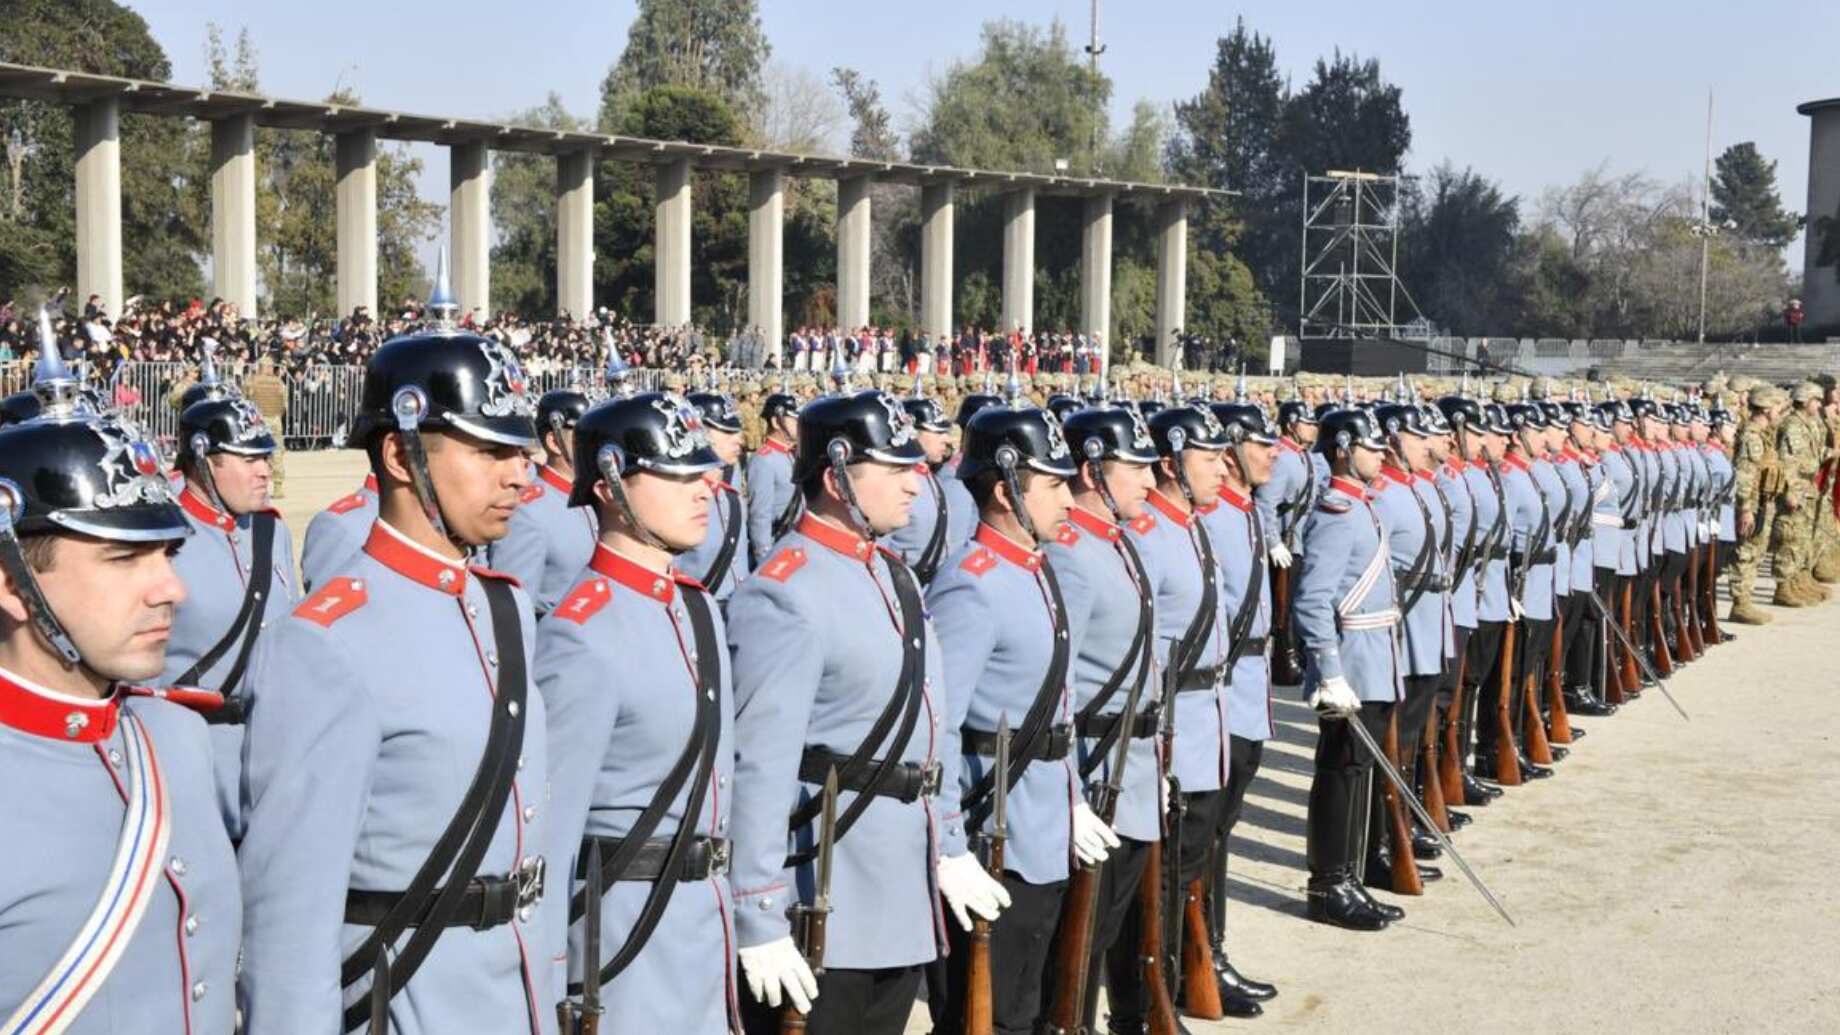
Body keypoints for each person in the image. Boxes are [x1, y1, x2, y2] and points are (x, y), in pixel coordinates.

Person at [238, 289, 554, 1034]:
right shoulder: (326, 643)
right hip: (405, 1002)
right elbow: (289, 916)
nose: (519, 475)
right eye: (489, 452)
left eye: (519, 452)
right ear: (400, 454)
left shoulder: (503, 607)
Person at [0, 331, 240, 1033]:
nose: (172, 589)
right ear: (11, 582)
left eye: (166, 553)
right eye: (123, 559)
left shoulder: (177, 735)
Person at [728, 389, 984, 1035]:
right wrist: (757, 911)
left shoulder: (896, 576)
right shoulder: (785, 592)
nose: (915, 481)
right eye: (894, 468)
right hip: (826, 892)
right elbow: (760, 765)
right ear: (836, 474)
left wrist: (950, 844)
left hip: (900, 886)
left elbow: (932, 729)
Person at [539, 392, 737, 1033]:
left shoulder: (697, 609)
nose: (706, 487)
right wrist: (547, 982)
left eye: (702, 471)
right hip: (623, 943)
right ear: (610, 486)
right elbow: (551, 835)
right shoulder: (580, 634)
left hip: (703, 927)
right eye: (677, 475)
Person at [930, 399, 1109, 1035]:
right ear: (1006, 491)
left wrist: (1073, 798)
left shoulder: (1035, 569)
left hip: (1042, 823)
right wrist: (949, 845)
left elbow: (1056, 707)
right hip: (994, 833)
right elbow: (939, 725)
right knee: (987, 1015)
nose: (1069, 500)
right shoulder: (972, 584)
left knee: (1029, 1006)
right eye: (1053, 486)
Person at [1040, 404, 1166, 1034]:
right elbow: (1055, 687)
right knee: (1076, 946)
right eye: (1135, 467)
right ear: (1092, 471)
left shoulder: (1118, 542)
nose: (1150, 479)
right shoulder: (1071, 555)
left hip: (1131, 763)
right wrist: (1068, 793)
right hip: (1094, 770)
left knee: (1107, 927)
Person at [164, 362, 298, 842]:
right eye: (248, 459)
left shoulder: (271, 531)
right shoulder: (163, 538)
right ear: (204, 459)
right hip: (190, 754)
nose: (265, 470)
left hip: (271, 750)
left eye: (266, 456)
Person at [1295, 404, 1403, 931]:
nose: (1380, 453)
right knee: (1340, 772)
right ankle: (1328, 884)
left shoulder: (1362, 505)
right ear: (1342, 450)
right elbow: (1313, 599)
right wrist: (1329, 670)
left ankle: (1351, 875)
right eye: (1370, 446)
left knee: (1359, 772)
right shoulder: (1336, 512)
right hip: (1352, 659)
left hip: (1375, 653)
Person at [1193, 400, 1282, 1010]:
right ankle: (1202, 956)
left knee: (1221, 832)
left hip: (1247, 687)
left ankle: (1211, 950)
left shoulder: (1245, 508)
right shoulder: (1214, 517)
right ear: (1229, 452)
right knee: (1204, 838)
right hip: (1221, 691)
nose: (1273, 453)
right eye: (1260, 444)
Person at [489, 387, 600, 616]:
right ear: (555, 442)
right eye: (586, 436)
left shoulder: (592, 497)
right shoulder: (528, 513)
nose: (596, 445)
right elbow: (514, 611)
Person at [885, 377, 960, 585]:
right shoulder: (895, 481)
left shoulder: (929, 474)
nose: (946, 439)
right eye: (937, 432)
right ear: (913, 432)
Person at [680, 387, 750, 601]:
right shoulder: (681, 500)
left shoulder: (730, 496)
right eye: (727, 432)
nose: (739, 440)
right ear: (697, 432)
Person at [745, 380, 799, 564]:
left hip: (794, 544)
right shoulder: (764, 460)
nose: (797, 424)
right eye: (792, 419)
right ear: (776, 422)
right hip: (778, 548)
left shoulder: (790, 454)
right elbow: (760, 516)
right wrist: (764, 560)